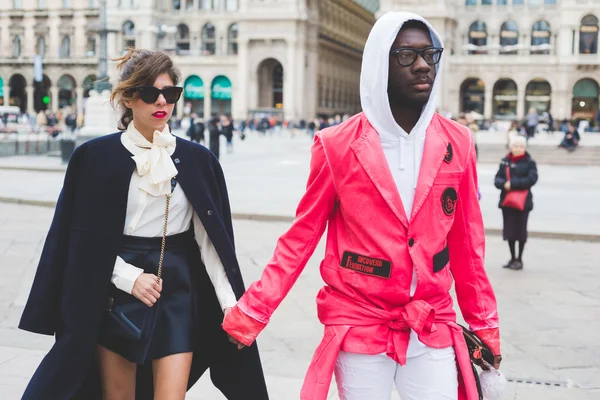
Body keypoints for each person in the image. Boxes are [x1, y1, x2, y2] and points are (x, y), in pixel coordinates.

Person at [223, 12, 501, 400]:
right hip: (359, 322)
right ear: (378, 65)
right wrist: (253, 311)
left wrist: (485, 325)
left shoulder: (458, 142)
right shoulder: (336, 145)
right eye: (406, 55)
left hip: (432, 320)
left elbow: (468, 249)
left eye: (430, 54)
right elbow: (300, 237)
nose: (423, 65)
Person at [18, 49, 268, 400]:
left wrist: (231, 307)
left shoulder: (198, 161)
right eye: (150, 93)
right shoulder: (94, 158)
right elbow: (80, 242)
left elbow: (212, 244)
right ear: (128, 98)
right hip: (114, 290)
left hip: (178, 287)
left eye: (171, 93)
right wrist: (128, 277)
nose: (162, 101)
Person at [494, 135, 538, 271]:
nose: (518, 148)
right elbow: (497, 179)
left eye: (520, 146)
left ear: (525, 148)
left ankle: (520, 258)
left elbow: (532, 179)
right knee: (510, 231)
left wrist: (512, 184)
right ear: (510, 147)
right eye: (515, 146)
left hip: (523, 202)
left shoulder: (530, 162)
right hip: (507, 202)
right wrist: (503, 184)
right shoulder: (504, 161)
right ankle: (512, 257)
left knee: (521, 230)